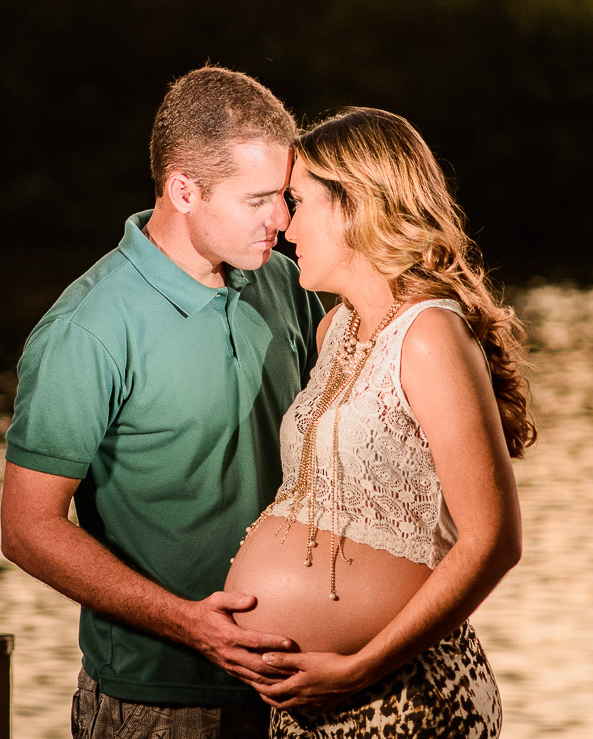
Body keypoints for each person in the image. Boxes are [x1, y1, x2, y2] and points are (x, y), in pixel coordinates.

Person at [0, 65, 325, 738]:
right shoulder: (88, 329)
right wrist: (190, 623)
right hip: (157, 702)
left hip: (297, 686)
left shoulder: (286, 283)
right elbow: (28, 527)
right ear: (183, 189)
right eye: (259, 198)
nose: (284, 220)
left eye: (286, 196)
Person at [223, 107, 534, 737]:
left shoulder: (428, 335)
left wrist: (359, 667)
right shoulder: (334, 329)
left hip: (403, 696)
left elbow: (494, 541)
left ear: (355, 206)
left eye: (298, 200)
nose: (283, 224)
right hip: (311, 710)